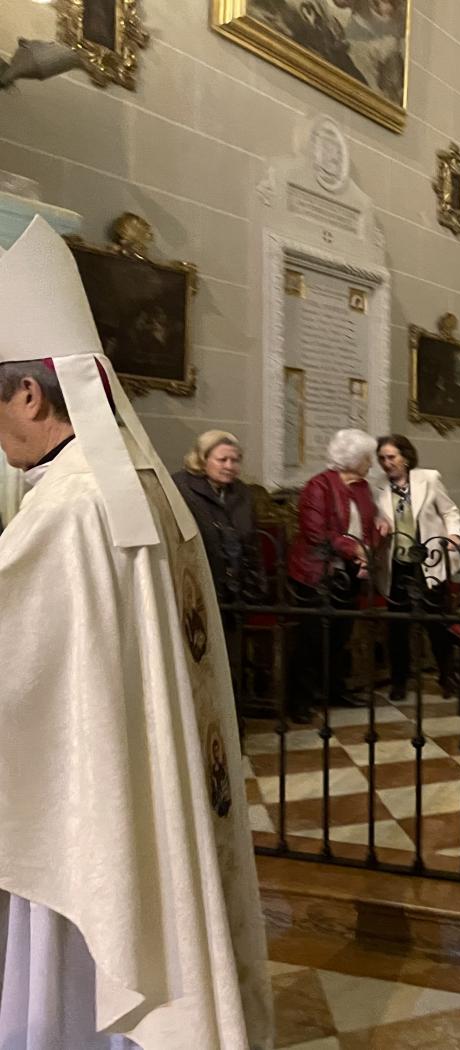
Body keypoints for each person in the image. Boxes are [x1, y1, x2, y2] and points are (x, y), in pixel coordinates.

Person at [0, 216, 271, 1047]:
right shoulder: (134, 488)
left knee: (65, 1003)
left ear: (30, 394)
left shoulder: (77, 505)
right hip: (131, 790)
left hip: (86, 812)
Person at [287, 427, 385, 714]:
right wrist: (353, 548)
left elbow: (369, 527)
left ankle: (334, 691)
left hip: (349, 573)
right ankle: (299, 701)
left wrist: (369, 547)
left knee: (340, 636)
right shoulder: (319, 486)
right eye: (368, 457)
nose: (371, 463)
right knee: (312, 638)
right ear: (354, 459)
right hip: (316, 573)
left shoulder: (362, 488)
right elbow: (316, 532)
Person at [374, 434, 460, 700]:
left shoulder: (429, 479)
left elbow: (449, 511)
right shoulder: (376, 487)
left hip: (429, 562)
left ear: (406, 457)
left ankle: (447, 676)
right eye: (382, 459)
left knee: (437, 623)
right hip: (397, 564)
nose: (387, 463)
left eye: (392, 457)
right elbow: (373, 518)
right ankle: (399, 681)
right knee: (397, 627)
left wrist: (454, 535)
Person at [174, 429, 264, 605]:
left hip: (237, 590)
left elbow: (252, 542)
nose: (229, 466)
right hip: (197, 587)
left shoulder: (242, 492)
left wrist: (256, 587)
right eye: (222, 460)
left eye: (235, 460)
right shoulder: (180, 487)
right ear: (202, 459)